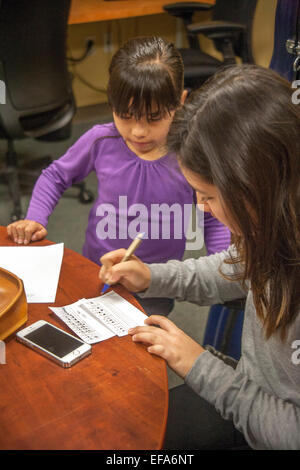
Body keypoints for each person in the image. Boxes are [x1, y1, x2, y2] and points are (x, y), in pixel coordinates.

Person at [99, 64, 300, 450]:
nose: (201, 208)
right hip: (246, 395)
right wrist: (151, 277)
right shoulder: (270, 226)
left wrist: (198, 366)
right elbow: (229, 270)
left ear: (254, 189)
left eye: (207, 196)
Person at [6, 36, 230, 315]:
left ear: (180, 102)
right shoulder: (101, 141)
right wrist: (36, 217)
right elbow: (55, 176)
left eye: (153, 117)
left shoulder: (191, 153)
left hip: (154, 283)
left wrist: (221, 264)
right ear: (111, 104)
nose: (138, 131)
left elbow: (212, 215)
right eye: (125, 115)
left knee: (141, 350)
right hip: (96, 269)